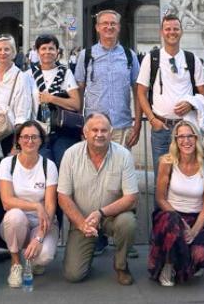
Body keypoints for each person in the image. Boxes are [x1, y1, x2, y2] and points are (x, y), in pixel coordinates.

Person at [57, 112, 138, 285]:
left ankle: (121, 265)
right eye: (94, 130)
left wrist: (101, 213)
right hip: (83, 219)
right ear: (85, 132)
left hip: (112, 216)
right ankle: (87, 250)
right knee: (73, 275)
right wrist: (81, 224)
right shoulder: (71, 155)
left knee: (128, 222)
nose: (99, 134)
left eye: (104, 130)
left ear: (111, 132)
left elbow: (131, 197)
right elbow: (63, 196)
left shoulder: (123, 155)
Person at [0, 35, 34, 259]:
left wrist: (16, 145)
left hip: (8, 135)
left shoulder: (21, 77)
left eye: (7, 49)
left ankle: (7, 240)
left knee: (7, 188)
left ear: (14, 52)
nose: (3, 53)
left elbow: (23, 112)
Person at [136, 15, 204, 173]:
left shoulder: (192, 59)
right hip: (161, 127)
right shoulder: (151, 58)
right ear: (161, 32)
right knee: (161, 176)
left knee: (188, 172)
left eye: (176, 29)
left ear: (181, 32)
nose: (172, 32)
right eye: (168, 29)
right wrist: (152, 119)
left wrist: (191, 104)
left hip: (187, 128)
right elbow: (141, 92)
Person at [148, 120, 204, 287]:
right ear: (176, 140)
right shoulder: (167, 163)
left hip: (195, 218)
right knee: (172, 226)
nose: (186, 141)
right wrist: (179, 221)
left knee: (201, 255)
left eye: (190, 136)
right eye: (181, 137)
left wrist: (193, 231)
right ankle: (168, 265)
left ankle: (188, 263)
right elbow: (160, 198)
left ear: (197, 138)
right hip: (170, 214)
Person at [0, 121, 59, 287]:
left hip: (43, 222)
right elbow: (6, 201)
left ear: (41, 140)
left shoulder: (49, 166)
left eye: (34, 137)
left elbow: (50, 207)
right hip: (16, 223)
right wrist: (36, 206)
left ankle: (34, 260)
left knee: (44, 256)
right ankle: (16, 263)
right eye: (25, 137)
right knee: (14, 215)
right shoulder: (7, 163)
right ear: (18, 140)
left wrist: (39, 237)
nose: (29, 141)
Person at [73, 10, 141, 148]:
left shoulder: (130, 56)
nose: (109, 27)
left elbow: (138, 91)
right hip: (93, 127)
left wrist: (138, 124)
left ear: (119, 27)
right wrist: (79, 123)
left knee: (121, 162)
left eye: (113, 23)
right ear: (97, 27)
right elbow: (79, 91)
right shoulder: (85, 56)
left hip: (121, 127)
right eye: (105, 23)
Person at [31, 33, 81, 166]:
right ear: (37, 52)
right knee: (43, 169)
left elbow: (76, 104)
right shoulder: (28, 75)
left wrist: (51, 98)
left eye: (51, 48)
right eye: (43, 48)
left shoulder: (65, 73)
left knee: (64, 167)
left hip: (62, 132)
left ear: (57, 51)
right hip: (37, 132)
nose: (47, 52)